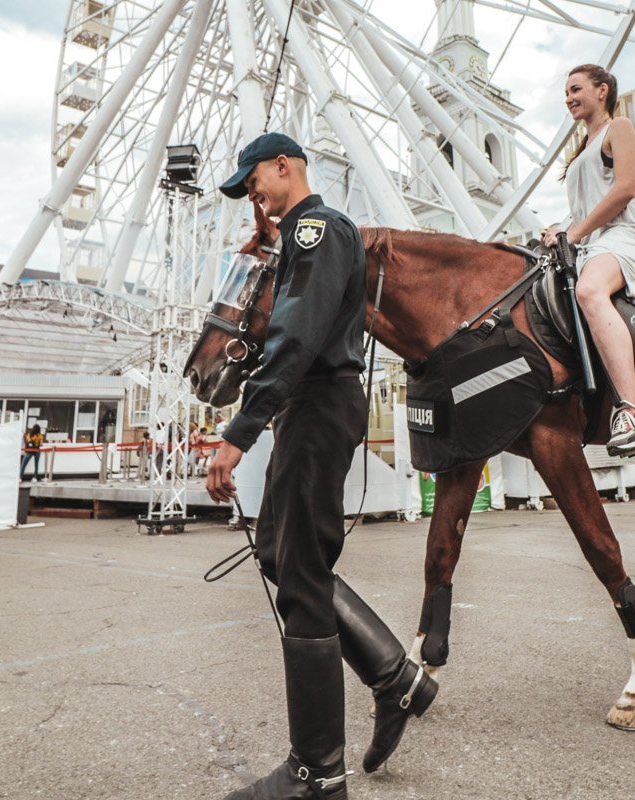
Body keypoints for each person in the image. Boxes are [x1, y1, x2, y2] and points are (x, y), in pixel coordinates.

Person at [207, 132, 436, 800]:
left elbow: (296, 336)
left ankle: (317, 771)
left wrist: (239, 432)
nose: (251, 193)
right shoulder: (302, 238)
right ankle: (395, 677)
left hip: (318, 405)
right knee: (279, 551)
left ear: (284, 165)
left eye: (253, 179)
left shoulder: (317, 231)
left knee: (302, 576)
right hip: (310, 407)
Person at [540, 64, 635, 457]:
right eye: (566, 92)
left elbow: (624, 190)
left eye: (576, 89)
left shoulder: (618, 128)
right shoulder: (583, 149)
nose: (569, 98)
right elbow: (583, 209)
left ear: (602, 90)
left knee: (590, 291)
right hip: (591, 242)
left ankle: (632, 413)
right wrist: (560, 229)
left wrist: (573, 234)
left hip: (623, 235)